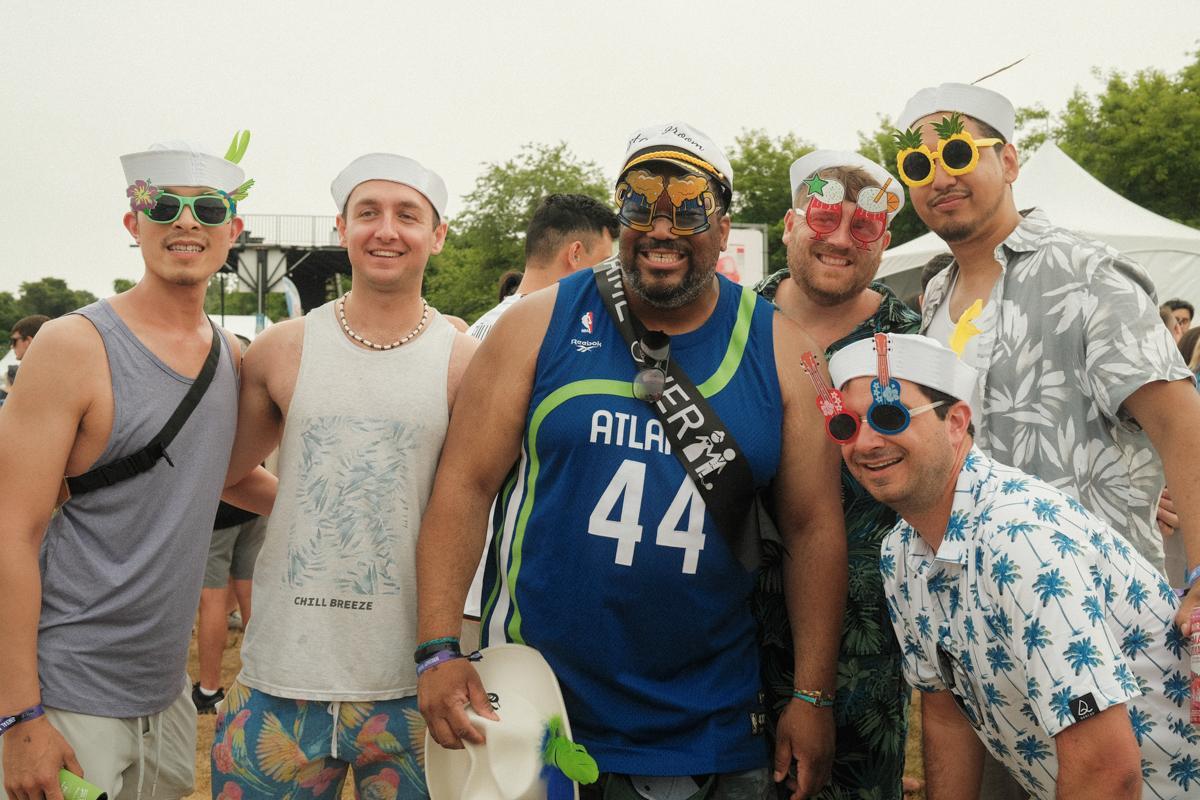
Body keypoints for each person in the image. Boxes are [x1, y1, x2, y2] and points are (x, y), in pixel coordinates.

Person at [417, 122, 847, 799]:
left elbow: (814, 529)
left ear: (724, 224)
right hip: (540, 710)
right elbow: (463, 484)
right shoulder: (538, 323)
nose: (662, 229)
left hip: (711, 723)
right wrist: (438, 649)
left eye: (689, 209)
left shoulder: (785, 353)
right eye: (640, 205)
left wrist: (813, 697)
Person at [0, 134, 271, 798]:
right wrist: (18, 715)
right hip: (66, 688)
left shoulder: (232, 359)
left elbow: (223, 473)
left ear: (231, 231)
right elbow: (12, 531)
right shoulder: (73, 346)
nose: (185, 221)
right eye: (164, 206)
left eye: (208, 209)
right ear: (133, 224)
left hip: (164, 694)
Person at [827, 332, 1198, 800]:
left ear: (957, 422)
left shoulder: (1021, 539)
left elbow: (1107, 772)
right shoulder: (900, 551)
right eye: (845, 424)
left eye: (888, 415)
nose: (865, 442)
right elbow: (946, 711)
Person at [213, 152, 477, 796]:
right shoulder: (284, 347)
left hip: (416, 683)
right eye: (368, 213)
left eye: (407, 216)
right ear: (342, 228)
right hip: (283, 675)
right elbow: (226, 472)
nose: (386, 230)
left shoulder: (464, 361)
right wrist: (306, 503)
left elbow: (477, 498)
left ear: (436, 236)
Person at [895, 83, 1200, 628]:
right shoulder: (938, 294)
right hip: (979, 614)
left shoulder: (1085, 274)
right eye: (918, 165)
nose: (939, 178)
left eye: (958, 153)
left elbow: (1183, 427)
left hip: (1092, 615)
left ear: (1009, 161)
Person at [752, 150, 918, 800]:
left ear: (886, 242)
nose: (841, 240)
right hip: (728, 647)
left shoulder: (909, 344)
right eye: (824, 219)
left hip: (865, 660)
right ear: (792, 223)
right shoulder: (732, 322)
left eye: (863, 228)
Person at [466, 193, 618, 341]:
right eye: (603, 263)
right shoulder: (542, 333)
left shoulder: (482, 326)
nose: (607, 274)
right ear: (575, 254)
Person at [191, 501, 266, 714]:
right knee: (250, 591)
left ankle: (208, 691)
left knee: (212, 599)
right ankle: (261, 680)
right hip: (252, 505)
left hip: (218, 514)